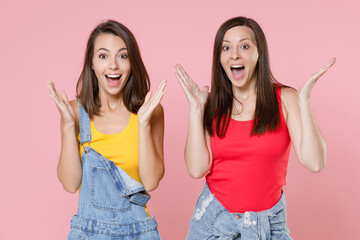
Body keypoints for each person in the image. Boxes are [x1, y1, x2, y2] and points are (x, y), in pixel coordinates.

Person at [176, 16, 335, 239]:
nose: (235, 55)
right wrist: (196, 108)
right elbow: (196, 169)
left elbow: (315, 162)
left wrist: (304, 102)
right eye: (226, 47)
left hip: (270, 225)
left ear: (259, 53)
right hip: (214, 224)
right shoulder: (209, 103)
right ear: (219, 57)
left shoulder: (285, 99)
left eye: (244, 46)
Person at [47, 20, 165, 240]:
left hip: (139, 233)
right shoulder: (74, 113)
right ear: (91, 64)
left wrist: (143, 124)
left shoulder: (150, 112)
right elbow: (70, 184)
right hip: (89, 234)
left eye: (122, 56)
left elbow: (151, 182)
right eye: (103, 56)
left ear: (132, 63)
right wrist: (66, 125)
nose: (113, 66)